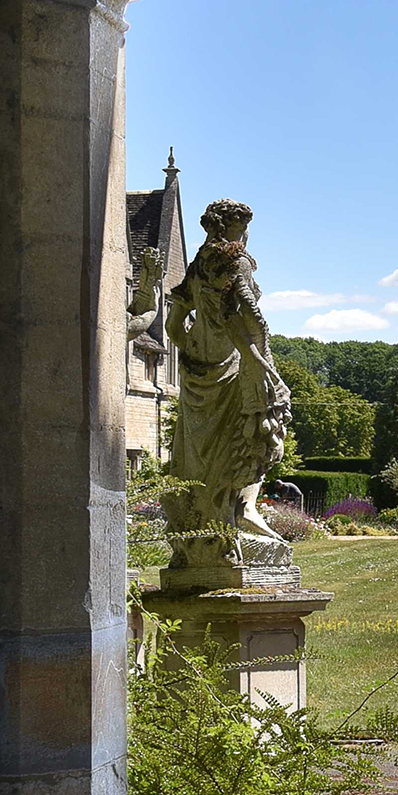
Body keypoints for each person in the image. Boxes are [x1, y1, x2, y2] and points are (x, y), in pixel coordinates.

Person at [161, 199, 294, 577]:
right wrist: (258, 355)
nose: (246, 234)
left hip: (195, 372)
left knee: (196, 456)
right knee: (259, 429)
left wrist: (192, 349)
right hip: (233, 363)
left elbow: (173, 327)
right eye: (243, 226)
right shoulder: (236, 261)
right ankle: (238, 516)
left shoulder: (198, 264)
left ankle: (202, 530)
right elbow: (244, 313)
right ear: (232, 227)